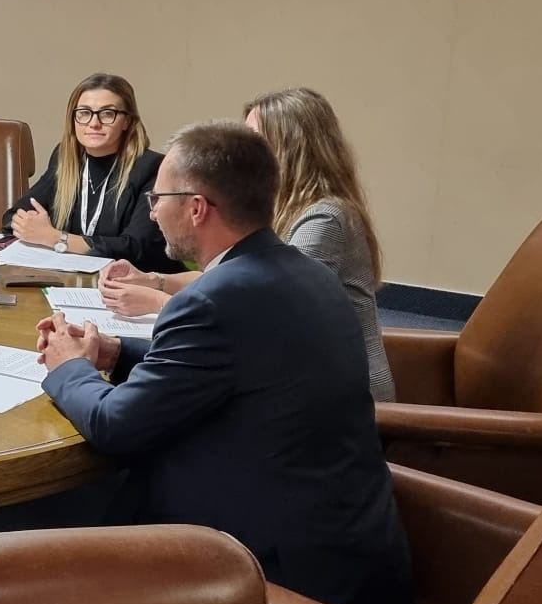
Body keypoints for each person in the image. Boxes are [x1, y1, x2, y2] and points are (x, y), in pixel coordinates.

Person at [36, 120, 411, 604]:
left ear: (196, 208)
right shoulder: (306, 273)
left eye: (157, 197)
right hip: (350, 550)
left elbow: (115, 425)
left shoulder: (214, 299)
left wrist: (67, 367)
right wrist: (114, 352)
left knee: (53, 510)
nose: (152, 210)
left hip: (272, 573)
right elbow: (231, 366)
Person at [98, 87, 395, 401]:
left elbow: (266, 314)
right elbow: (230, 280)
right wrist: (154, 280)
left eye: (253, 138)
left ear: (291, 147)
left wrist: (160, 304)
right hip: (293, 378)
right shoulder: (281, 207)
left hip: (343, 396)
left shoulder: (323, 217)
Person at [0, 73, 177, 272]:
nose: (94, 123)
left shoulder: (151, 167)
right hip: (76, 277)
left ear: (126, 121)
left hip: (139, 282)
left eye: (107, 113)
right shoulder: (66, 159)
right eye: (84, 112)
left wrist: (55, 238)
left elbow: (134, 248)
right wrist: (29, 226)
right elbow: (13, 216)